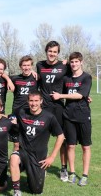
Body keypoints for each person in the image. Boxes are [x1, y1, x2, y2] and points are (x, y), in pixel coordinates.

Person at [10, 90, 64, 195]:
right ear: (27, 101)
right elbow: (7, 117)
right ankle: (16, 190)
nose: (33, 103)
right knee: (13, 158)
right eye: (31, 101)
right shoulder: (21, 112)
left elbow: (61, 136)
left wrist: (52, 157)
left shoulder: (49, 117)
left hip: (38, 156)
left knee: (36, 190)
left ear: (41, 101)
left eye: (36, 101)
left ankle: (34, 173)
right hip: (24, 151)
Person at [50, 52, 92, 186]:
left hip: (83, 115)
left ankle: (85, 175)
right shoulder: (66, 79)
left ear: (81, 62)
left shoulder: (87, 77)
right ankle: (72, 173)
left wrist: (61, 95)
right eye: (72, 62)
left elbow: (80, 95)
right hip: (68, 116)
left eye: (76, 62)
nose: (74, 64)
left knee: (85, 146)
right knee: (71, 145)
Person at [36, 41, 70, 181]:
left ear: (58, 53)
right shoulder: (39, 65)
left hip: (58, 107)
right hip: (44, 107)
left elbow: (72, 80)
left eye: (55, 52)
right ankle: (41, 166)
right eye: (50, 51)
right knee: (41, 138)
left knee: (62, 139)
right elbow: (37, 80)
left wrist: (85, 95)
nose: (52, 54)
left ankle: (63, 169)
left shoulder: (64, 66)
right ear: (46, 51)